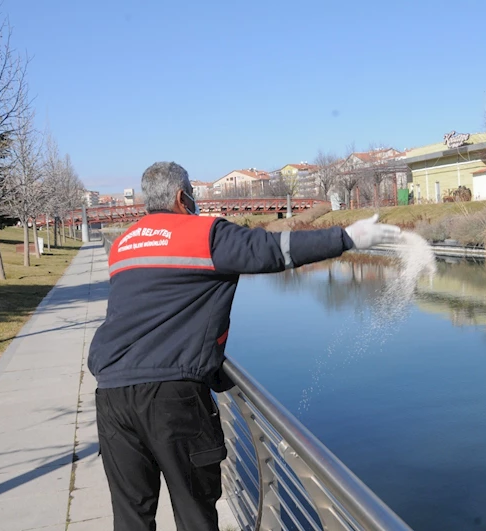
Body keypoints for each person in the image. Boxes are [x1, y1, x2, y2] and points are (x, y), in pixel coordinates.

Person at [87, 161, 401, 531]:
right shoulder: (203, 234)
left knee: (131, 517)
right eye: (193, 192)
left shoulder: (125, 242)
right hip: (172, 397)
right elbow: (271, 250)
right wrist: (347, 239)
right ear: (181, 196)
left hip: (112, 395)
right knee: (195, 512)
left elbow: (150, 309)